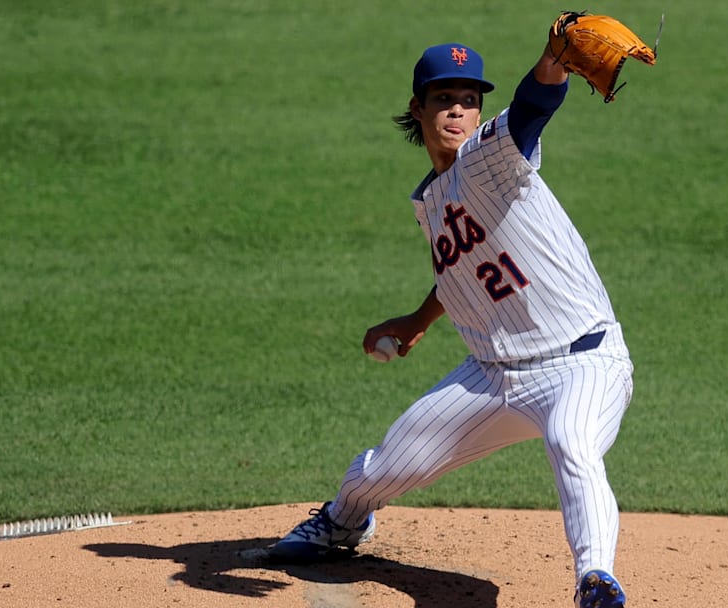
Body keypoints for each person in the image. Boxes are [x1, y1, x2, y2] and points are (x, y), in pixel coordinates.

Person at [270, 35, 635, 608]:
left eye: (469, 98)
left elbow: (534, 107)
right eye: (445, 98)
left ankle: (595, 580)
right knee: (386, 467)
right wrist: (419, 317)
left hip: (582, 361)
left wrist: (552, 63)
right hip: (491, 376)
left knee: (573, 442)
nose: (458, 109)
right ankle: (341, 523)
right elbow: (465, 268)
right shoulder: (432, 197)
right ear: (418, 108)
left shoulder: (490, 156)